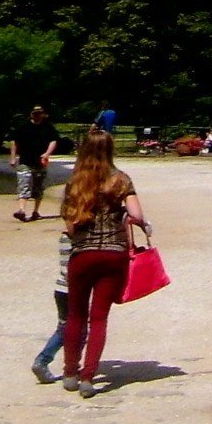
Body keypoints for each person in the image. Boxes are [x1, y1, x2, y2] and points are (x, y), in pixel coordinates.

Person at [59, 127, 147, 397]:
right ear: (110, 150)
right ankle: (88, 377)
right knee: (99, 318)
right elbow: (137, 215)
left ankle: (70, 372)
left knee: (76, 315)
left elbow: (71, 227)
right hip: (113, 253)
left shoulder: (74, 182)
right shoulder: (120, 179)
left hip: (83, 254)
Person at [6, 105, 62, 221]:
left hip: (40, 162)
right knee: (24, 184)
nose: (37, 115)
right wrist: (13, 157)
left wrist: (47, 154)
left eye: (39, 113)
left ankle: (36, 211)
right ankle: (21, 210)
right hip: (25, 161)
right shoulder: (23, 127)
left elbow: (53, 141)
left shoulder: (48, 127)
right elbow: (14, 142)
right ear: (31, 114)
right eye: (35, 113)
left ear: (43, 114)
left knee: (38, 187)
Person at [31, 228, 71, 383]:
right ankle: (43, 360)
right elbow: (70, 269)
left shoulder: (64, 237)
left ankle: (50, 361)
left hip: (61, 290)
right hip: (69, 290)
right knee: (71, 330)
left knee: (65, 328)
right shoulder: (71, 238)